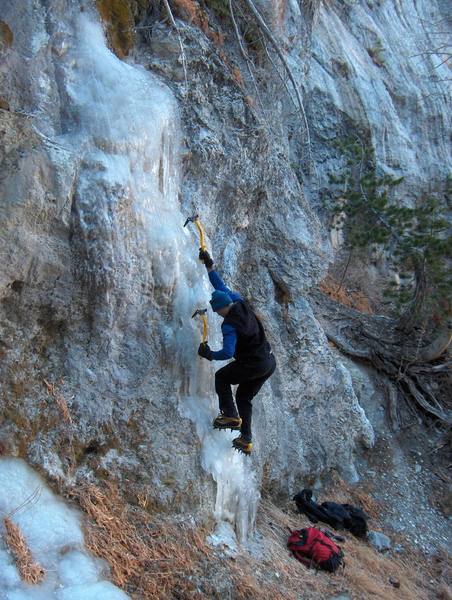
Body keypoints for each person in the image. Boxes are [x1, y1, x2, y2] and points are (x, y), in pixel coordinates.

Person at [197, 249, 276, 455]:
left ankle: (230, 415)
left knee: (222, 377)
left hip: (254, 363)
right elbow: (220, 286)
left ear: (222, 309)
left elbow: (228, 352)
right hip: (268, 362)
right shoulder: (238, 300)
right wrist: (210, 267)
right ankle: (246, 438)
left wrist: (210, 354)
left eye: (217, 312)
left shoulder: (230, 325)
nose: (218, 315)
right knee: (243, 396)